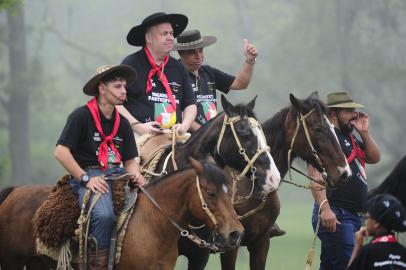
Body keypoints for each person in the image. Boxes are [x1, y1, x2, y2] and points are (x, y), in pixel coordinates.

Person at [55, 64, 145, 269]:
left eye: (124, 86)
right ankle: (97, 265)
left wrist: (137, 175)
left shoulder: (122, 122)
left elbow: (130, 160)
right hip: (90, 173)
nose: (124, 91)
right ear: (102, 88)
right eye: (118, 86)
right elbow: (61, 151)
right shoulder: (81, 116)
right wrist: (85, 178)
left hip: (118, 174)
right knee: (104, 215)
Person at [309, 91, 381, 270]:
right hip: (336, 214)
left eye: (355, 110)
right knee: (351, 265)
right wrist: (325, 210)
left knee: (331, 266)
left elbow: (374, 157)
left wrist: (364, 132)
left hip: (353, 216)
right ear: (334, 114)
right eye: (349, 111)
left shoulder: (350, 137)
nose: (355, 114)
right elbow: (314, 175)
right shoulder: (325, 138)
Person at [118, 12, 196, 137]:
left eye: (171, 33)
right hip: (139, 134)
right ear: (149, 38)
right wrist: (137, 126)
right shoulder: (131, 64)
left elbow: (190, 104)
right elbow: (115, 103)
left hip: (174, 135)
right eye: (164, 34)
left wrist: (184, 126)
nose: (170, 37)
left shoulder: (179, 67)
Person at [172, 29, 258, 131]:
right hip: (186, 138)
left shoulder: (209, 72)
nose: (198, 57)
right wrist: (202, 133)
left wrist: (250, 60)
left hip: (210, 136)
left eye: (200, 51)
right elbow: (176, 111)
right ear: (181, 54)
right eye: (192, 53)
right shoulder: (174, 75)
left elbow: (240, 84)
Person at [348, 194, 406, 269]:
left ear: (376, 223)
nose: (365, 222)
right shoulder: (403, 252)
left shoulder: (368, 252)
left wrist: (358, 246)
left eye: (367, 217)